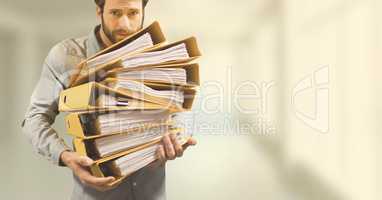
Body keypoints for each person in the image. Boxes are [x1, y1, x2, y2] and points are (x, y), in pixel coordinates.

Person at [21, 0, 196, 199]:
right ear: (99, 11)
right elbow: (34, 119)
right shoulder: (67, 56)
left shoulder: (159, 57)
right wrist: (66, 156)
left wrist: (175, 138)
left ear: (143, 12)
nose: (125, 24)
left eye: (133, 13)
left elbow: (180, 108)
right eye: (115, 13)